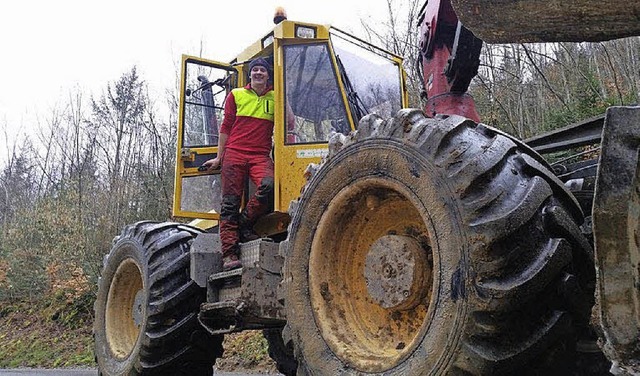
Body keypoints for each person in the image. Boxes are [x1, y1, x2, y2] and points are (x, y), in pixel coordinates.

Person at [203, 57, 275, 271]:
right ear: (250, 74)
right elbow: (225, 127)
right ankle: (229, 253)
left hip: (259, 155)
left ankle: (243, 224)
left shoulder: (275, 97)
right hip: (234, 153)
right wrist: (219, 157)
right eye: (256, 70)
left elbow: (288, 121)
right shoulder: (236, 95)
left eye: (263, 70)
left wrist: (285, 97)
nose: (259, 73)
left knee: (270, 185)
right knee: (230, 204)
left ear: (268, 75)